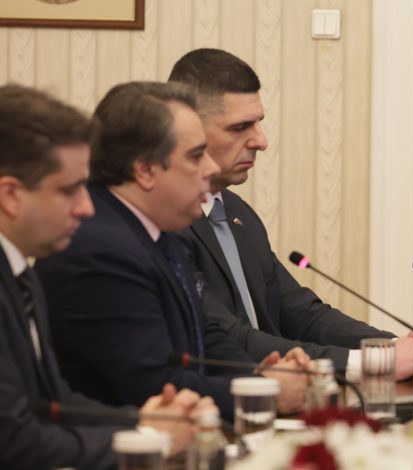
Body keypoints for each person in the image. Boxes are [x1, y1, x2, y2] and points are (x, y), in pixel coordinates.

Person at [35, 81, 310, 421]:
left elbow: (204, 335)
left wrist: (258, 377)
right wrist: (263, 392)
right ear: (145, 170)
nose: (211, 168)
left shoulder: (155, 228)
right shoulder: (100, 250)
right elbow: (154, 384)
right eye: (196, 156)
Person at [168, 48, 413, 380]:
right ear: (190, 130)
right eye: (240, 127)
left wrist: (395, 347)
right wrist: (373, 363)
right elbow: (229, 337)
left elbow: (302, 315)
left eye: (259, 123)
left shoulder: (239, 214)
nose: (261, 141)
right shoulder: (167, 223)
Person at [0, 84, 214, 468]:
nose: (86, 207)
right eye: (70, 191)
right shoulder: (86, 253)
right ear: (11, 196)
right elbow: (14, 442)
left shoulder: (20, 276)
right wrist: (150, 440)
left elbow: (55, 403)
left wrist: (142, 422)